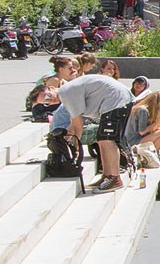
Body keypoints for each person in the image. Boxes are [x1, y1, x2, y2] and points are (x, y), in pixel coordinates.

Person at [50, 57, 135, 190]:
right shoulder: (68, 93)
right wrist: (67, 136)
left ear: (51, 88)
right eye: (46, 102)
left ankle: (115, 178)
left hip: (116, 101)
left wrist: (75, 144)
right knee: (102, 139)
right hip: (114, 101)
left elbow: (78, 124)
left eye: (47, 96)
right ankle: (107, 175)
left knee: (108, 140)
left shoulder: (65, 92)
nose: (49, 101)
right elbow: (74, 122)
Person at [123, 88, 160, 169]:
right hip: (133, 141)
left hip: (140, 138)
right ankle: (152, 154)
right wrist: (158, 122)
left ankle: (155, 152)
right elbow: (142, 132)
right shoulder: (142, 110)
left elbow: (153, 130)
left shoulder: (149, 110)